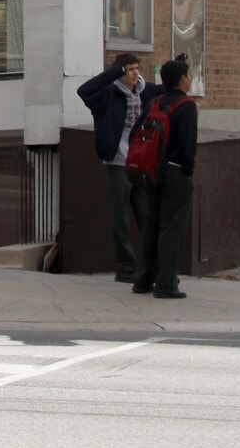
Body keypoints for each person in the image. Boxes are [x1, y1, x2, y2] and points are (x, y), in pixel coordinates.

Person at [76, 52, 153, 282]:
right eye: (129, 69)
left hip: (141, 163)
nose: (135, 73)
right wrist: (114, 72)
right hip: (117, 162)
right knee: (120, 219)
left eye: (137, 68)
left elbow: (168, 92)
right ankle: (125, 267)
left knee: (147, 216)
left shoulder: (146, 92)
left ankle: (151, 264)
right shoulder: (106, 95)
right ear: (119, 73)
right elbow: (84, 91)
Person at [133, 56, 199, 300]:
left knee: (151, 225)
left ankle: (143, 279)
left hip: (150, 171)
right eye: (189, 75)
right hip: (175, 172)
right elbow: (188, 145)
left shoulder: (153, 102)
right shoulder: (187, 106)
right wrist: (187, 171)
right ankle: (166, 283)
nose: (190, 79)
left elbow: (135, 133)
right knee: (172, 229)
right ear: (182, 79)